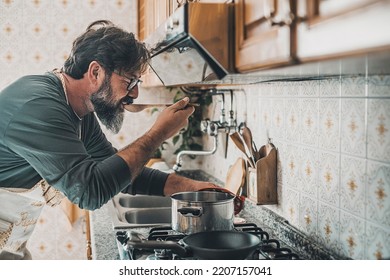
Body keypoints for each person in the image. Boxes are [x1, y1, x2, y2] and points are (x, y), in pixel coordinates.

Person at [0, 20, 218, 260]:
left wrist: (189, 188)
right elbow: (89, 192)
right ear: (95, 72)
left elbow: (116, 169)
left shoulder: (78, 109)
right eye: (129, 82)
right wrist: (158, 133)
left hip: (11, 244)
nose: (134, 93)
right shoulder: (40, 107)